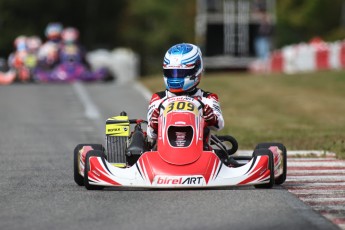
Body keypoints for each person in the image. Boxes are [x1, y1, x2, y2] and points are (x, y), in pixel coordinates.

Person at [147, 43, 224, 147]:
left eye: (181, 73)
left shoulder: (208, 98)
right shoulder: (158, 99)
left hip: (200, 152)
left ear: (196, 70)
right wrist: (154, 124)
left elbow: (219, 126)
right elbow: (151, 134)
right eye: (171, 73)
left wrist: (211, 118)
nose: (175, 78)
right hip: (164, 154)